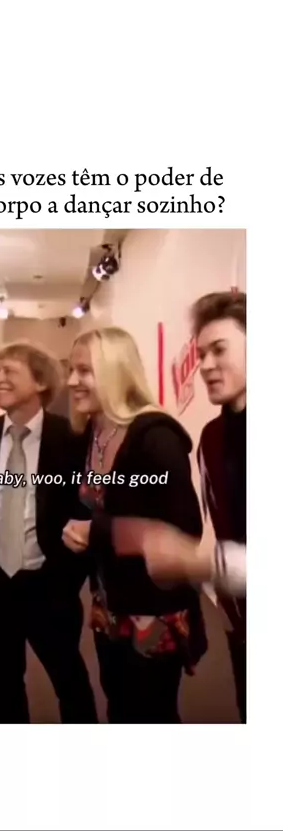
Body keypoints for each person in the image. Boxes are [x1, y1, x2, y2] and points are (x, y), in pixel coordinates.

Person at [63, 326, 207, 724]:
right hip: (108, 604)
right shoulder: (90, 433)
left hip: (152, 608)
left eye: (84, 371)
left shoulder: (155, 436)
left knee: (151, 713)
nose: (72, 381)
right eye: (71, 370)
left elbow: (183, 530)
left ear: (116, 371)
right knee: (120, 706)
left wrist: (97, 532)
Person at [0, 341, 97, 724]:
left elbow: (85, 510)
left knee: (71, 682)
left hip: (50, 587)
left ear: (41, 382)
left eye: (9, 371)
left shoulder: (72, 437)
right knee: (3, 685)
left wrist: (68, 579)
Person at [191, 291, 246, 722]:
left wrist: (197, 561)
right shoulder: (210, 438)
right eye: (201, 354)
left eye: (219, 350)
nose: (206, 365)